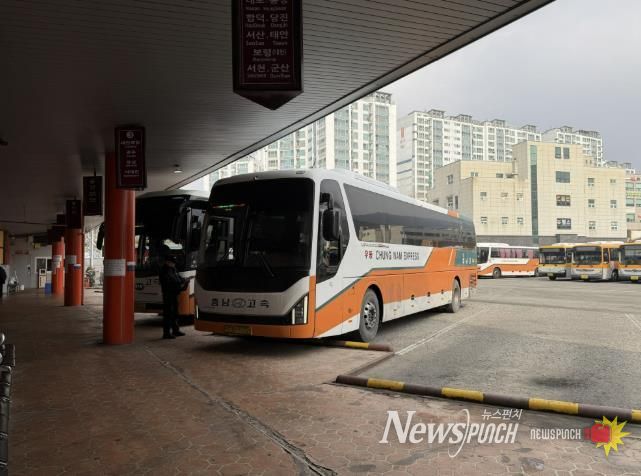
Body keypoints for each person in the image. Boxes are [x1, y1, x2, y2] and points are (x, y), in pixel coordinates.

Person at [158, 254, 188, 339]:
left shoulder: (173, 269)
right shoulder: (164, 270)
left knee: (175, 313)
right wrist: (180, 282)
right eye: (172, 262)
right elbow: (171, 281)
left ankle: (175, 330)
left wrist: (184, 280)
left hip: (174, 293)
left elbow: (178, 277)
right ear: (167, 262)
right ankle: (166, 333)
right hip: (168, 294)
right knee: (168, 314)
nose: (174, 264)